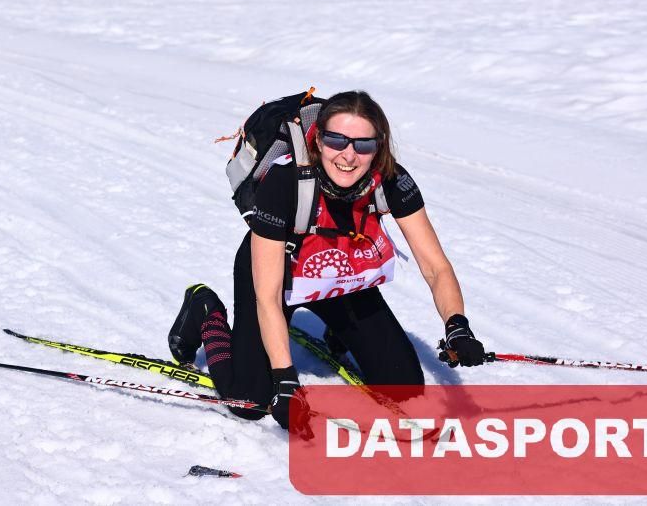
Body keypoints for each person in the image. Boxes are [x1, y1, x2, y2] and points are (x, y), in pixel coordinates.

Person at [167, 90, 486, 430]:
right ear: (318, 140)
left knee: (404, 388)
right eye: (336, 140)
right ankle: (206, 312)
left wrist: (456, 325)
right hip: (277, 276)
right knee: (251, 400)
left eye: (363, 145)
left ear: (378, 147)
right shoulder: (285, 182)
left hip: (341, 276)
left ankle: (340, 331)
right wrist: (286, 379)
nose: (349, 155)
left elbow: (436, 267)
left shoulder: (391, 178)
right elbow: (268, 296)